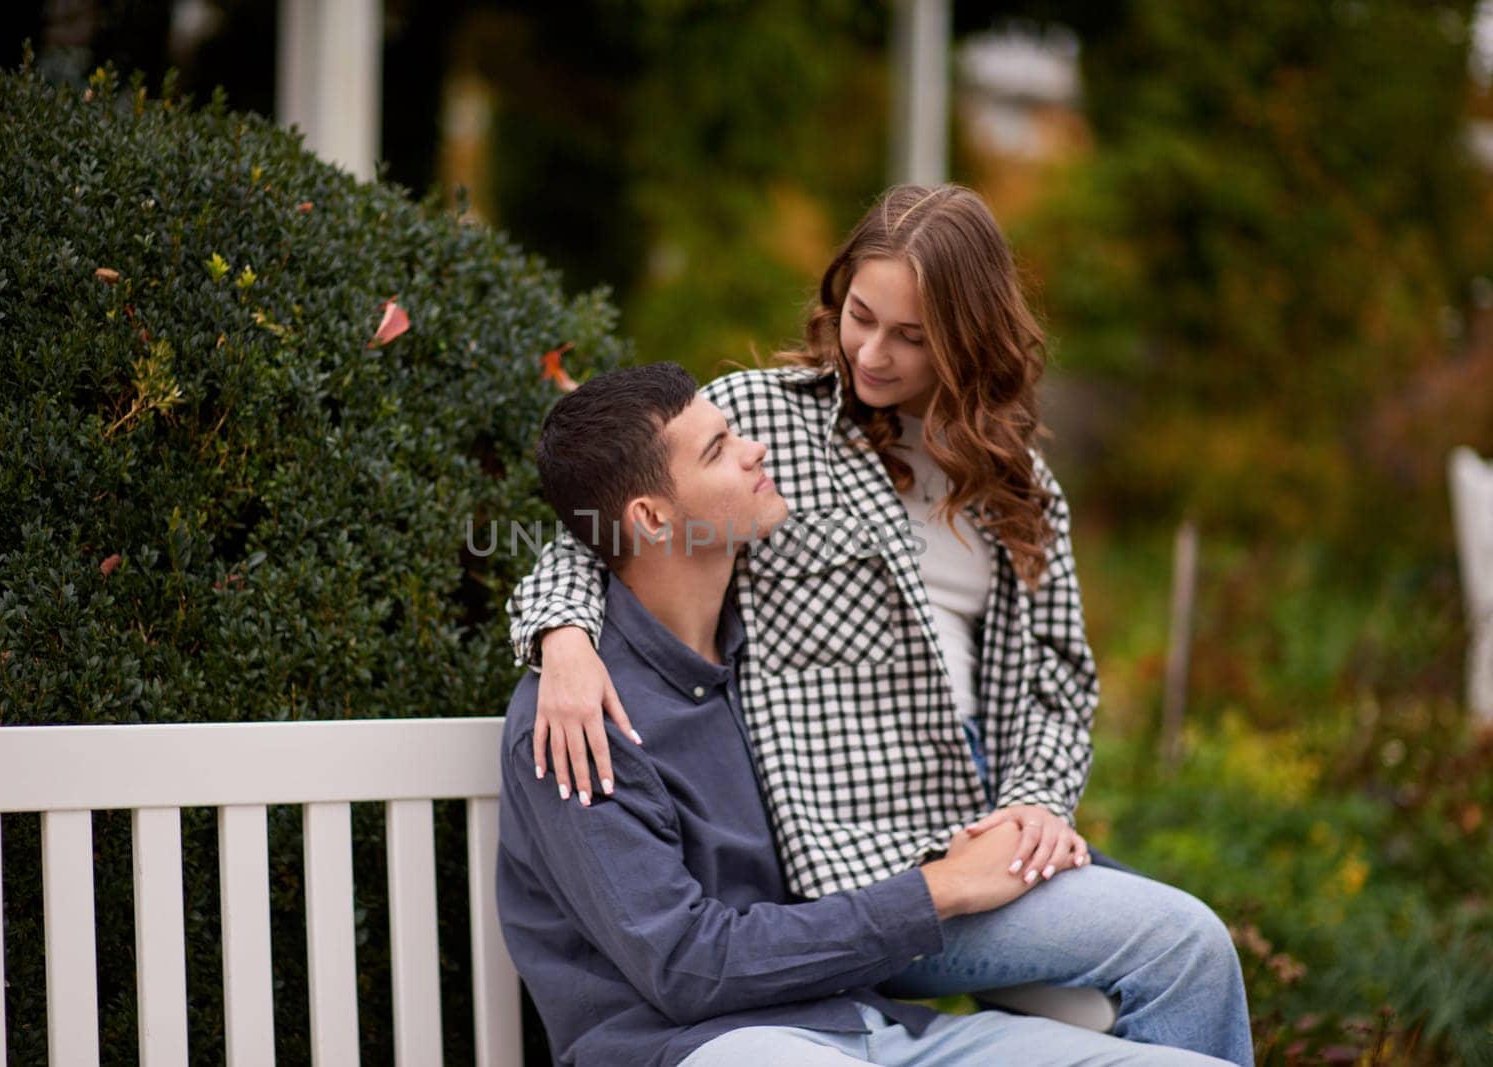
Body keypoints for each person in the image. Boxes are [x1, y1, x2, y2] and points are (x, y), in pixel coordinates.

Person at [506, 185, 1253, 1065]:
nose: (872, 351)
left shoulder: (1019, 486)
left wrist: (1034, 804)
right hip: (850, 861)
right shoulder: (763, 420)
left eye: (912, 336)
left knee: (1190, 945)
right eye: (861, 315)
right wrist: (561, 637)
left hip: (978, 823)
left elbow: (1056, 678)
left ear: (970, 341)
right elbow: (613, 520)